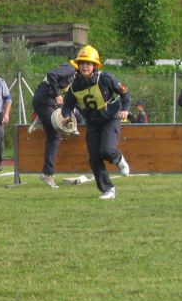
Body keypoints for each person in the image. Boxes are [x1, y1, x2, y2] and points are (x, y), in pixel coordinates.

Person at [59, 45, 130, 200]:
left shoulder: (105, 78)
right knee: (94, 158)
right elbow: (67, 105)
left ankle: (119, 160)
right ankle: (108, 190)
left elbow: (124, 91)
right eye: (82, 63)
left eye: (88, 63)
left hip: (110, 118)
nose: (85, 66)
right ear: (78, 65)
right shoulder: (75, 86)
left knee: (107, 150)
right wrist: (65, 115)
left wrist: (125, 108)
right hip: (92, 123)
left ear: (94, 65)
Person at [32, 62, 77, 188]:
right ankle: (47, 173)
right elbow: (51, 74)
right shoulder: (70, 69)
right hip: (45, 101)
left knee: (57, 132)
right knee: (54, 136)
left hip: (46, 102)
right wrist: (57, 95)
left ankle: (41, 120)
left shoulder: (74, 75)